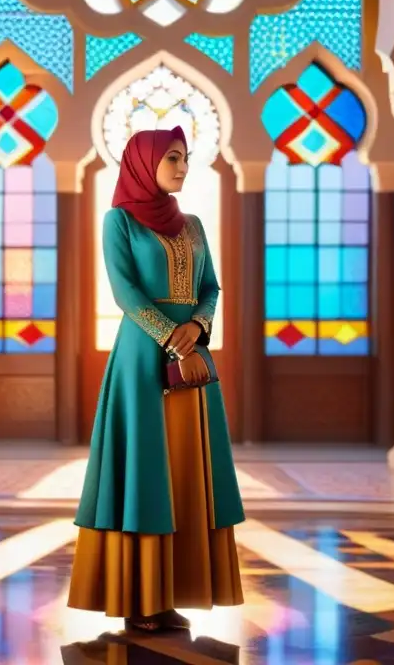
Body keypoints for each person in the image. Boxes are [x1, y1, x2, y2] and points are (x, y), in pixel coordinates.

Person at [67, 125, 245, 633]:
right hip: (143, 363)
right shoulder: (118, 221)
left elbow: (210, 286)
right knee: (146, 472)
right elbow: (125, 293)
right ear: (145, 162)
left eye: (185, 157)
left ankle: (176, 591)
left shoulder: (193, 225)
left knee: (186, 472)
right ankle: (139, 597)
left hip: (191, 358)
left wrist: (197, 327)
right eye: (172, 158)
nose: (182, 166)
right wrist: (174, 341)